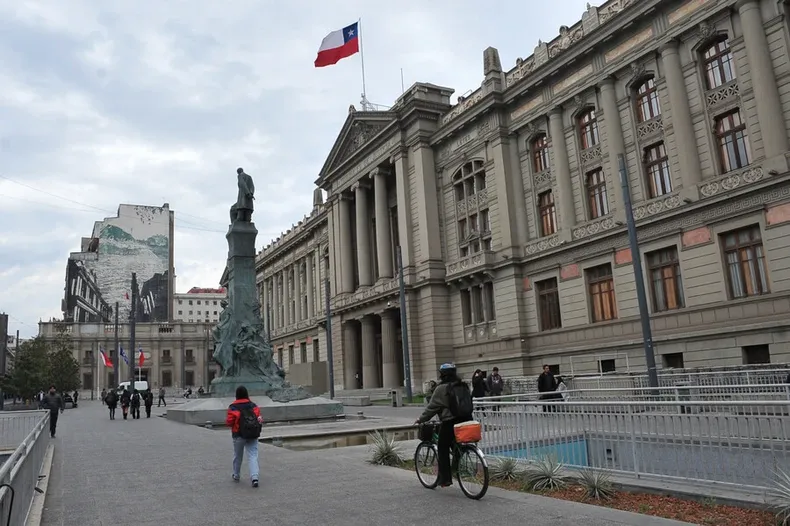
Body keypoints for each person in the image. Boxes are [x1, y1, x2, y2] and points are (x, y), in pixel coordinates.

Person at [414, 363, 474, 488]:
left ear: (442, 374)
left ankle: (445, 479)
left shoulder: (441, 388)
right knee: (457, 445)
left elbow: (432, 408)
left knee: (442, 447)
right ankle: (456, 467)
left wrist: (420, 419)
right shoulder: (463, 385)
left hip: (451, 422)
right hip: (467, 419)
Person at [226, 385, 263, 487]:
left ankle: (236, 475)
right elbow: (259, 419)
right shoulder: (253, 405)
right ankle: (254, 478)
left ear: (237, 395)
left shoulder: (233, 407)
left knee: (238, 456)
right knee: (253, 455)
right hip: (252, 434)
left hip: (238, 435)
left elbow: (229, 422)